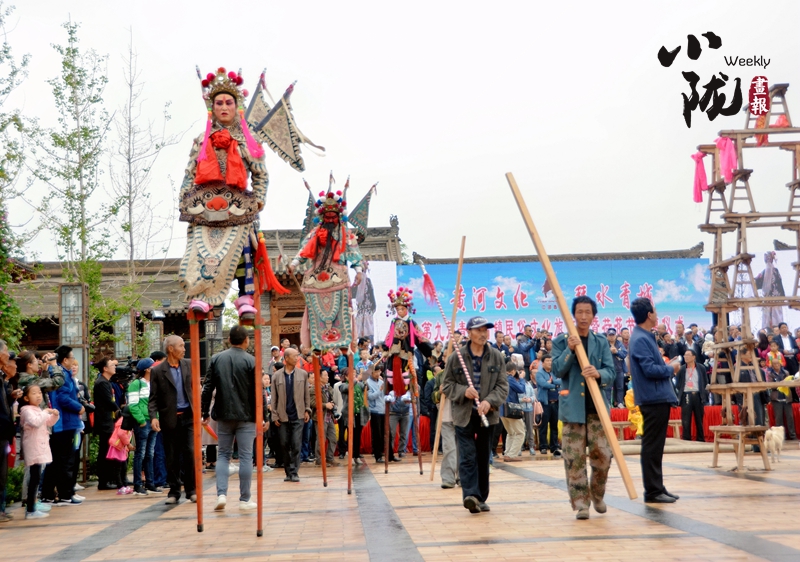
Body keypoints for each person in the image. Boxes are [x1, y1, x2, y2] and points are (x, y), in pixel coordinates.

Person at [178, 66, 285, 319]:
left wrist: (258, 201)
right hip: (206, 206)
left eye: (228, 102)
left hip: (237, 206)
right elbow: (190, 172)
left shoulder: (250, 141)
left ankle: (245, 298)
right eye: (218, 103)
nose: (223, 107)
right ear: (211, 108)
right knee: (201, 249)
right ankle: (203, 295)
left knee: (244, 250)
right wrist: (185, 199)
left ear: (237, 106)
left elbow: (260, 174)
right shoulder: (200, 140)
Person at [552, 296, 615, 520]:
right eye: (579, 312)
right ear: (573, 315)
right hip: (573, 411)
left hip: (597, 409)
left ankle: (597, 494)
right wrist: (570, 350)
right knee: (574, 458)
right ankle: (581, 504)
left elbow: (611, 371)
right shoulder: (562, 341)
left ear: (594, 315)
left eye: (588, 312)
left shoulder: (601, 341)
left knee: (603, 456)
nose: (583, 316)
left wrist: (599, 374)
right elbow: (557, 370)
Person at [441, 316, 508, 514]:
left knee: (482, 456)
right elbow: (447, 385)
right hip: (464, 415)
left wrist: (489, 401)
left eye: (485, 330)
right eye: (478, 330)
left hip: (489, 415)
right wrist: (463, 391)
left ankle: (481, 497)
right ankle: (470, 495)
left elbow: (503, 385)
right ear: (469, 333)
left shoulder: (496, 356)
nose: (482, 334)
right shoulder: (457, 357)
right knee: (468, 456)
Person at [289, 175, 364, 350]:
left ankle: (345, 347)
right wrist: (293, 264)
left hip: (338, 280)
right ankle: (315, 347)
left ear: (339, 216)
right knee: (315, 315)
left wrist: (359, 271)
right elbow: (303, 251)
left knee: (343, 312)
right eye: (327, 216)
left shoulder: (345, 233)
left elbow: (353, 252)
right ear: (321, 217)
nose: (330, 219)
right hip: (316, 281)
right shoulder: (315, 233)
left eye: (333, 216)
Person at [202, 325, 263, 511]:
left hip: (223, 414)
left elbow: (207, 388)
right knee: (246, 456)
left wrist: (204, 412)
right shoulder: (252, 361)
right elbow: (258, 392)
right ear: (246, 340)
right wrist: (263, 415)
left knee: (223, 455)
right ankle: (245, 499)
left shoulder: (216, 358)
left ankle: (221, 494)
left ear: (229, 339)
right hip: (247, 415)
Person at [629, 297, 681, 504]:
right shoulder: (640, 339)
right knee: (652, 446)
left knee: (656, 446)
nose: (657, 314)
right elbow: (650, 370)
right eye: (655, 311)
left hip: (657, 396)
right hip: (653, 397)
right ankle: (652, 491)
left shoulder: (645, 336)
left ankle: (657, 487)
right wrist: (672, 369)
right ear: (649, 315)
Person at [149, 335, 196, 505]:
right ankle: (174, 491)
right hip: (169, 419)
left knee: (190, 452)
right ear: (170, 348)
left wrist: (200, 412)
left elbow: (195, 390)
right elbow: (152, 398)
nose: (184, 349)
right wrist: (153, 417)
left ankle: (191, 490)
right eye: (181, 346)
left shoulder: (189, 365)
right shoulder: (157, 370)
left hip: (188, 417)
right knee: (172, 456)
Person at [41, 345, 85, 506]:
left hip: (64, 422)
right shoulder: (61, 375)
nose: (74, 360)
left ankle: (51, 494)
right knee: (64, 460)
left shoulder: (63, 373)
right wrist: (78, 407)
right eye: (72, 357)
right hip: (64, 422)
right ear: (65, 359)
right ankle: (65, 494)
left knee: (57, 460)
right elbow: (63, 398)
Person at [270, 348, 311, 482]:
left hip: (298, 415)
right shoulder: (276, 376)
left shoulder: (303, 374)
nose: (297, 358)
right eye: (294, 356)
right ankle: (288, 471)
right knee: (283, 444)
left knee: (296, 443)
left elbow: (306, 394)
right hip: (282, 416)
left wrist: (307, 409)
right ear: (286, 358)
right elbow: (274, 398)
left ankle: (294, 472)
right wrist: (274, 415)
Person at [20, 384, 59, 519]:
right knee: (34, 478)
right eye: (34, 393)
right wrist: (45, 412)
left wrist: (54, 415)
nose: (38, 395)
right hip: (33, 447)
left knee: (37, 477)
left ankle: (34, 505)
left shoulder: (38, 409)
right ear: (26, 397)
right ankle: (30, 509)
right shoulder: (26, 410)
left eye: (39, 393)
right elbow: (36, 422)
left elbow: (47, 422)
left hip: (40, 446)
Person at [128, 358, 160, 495]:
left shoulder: (153, 383)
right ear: (147, 369)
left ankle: (150, 483)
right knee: (140, 453)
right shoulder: (136, 384)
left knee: (150, 453)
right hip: (143, 422)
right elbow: (133, 405)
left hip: (153, 421)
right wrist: (141, 420)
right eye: (153, 367)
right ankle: (138, 484)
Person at [94, 357, 122, 490]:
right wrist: (117, 409)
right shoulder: (102, 383)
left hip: (108, 420)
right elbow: (108, 401)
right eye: (111, 365)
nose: (114, 367)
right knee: (105, 450)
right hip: (104, 422)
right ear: (105, 368)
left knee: (107, 449)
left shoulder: (106, 382)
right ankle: (103, 481)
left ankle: (109, 479)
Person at [676, 349, 707, 442]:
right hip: (686, 395)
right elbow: (678, 383)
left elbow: (705, 381)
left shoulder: (701, 368)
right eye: (685, 355)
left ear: (694, 357)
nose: (686, 357)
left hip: (698, 394)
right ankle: (686, 439)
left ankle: (700, 439)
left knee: (699, 419)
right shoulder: (682, 369)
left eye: (688, 355)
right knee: (686, 420)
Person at [536, 353, 562, 457]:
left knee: (554, 425)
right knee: (543, 426)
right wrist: (554, 384)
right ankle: (543, 446)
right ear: (542, 363)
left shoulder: (554, 372)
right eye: (547, 361)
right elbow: (543, 384)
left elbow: (560, 381)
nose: (549, 363)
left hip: (555, 402)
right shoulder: (539, 373)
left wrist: (553, 382)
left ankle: (554, 446)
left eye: (551, 361)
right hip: (544, 403)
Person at [311, 369, 338, 467]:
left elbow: (333, 398)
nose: (327, 377)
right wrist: (325, 405)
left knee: (333, 438)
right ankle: (319, 459)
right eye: (325, 375)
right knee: (321, 439)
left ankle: (330, 458)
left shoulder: (328, 387)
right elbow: (312, 403)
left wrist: (332, 403)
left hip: (329, 416)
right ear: (320, 377)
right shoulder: (314, 389)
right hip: (320, 417)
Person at [765, 358, 796, 440]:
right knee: (779, 418)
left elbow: (790, 383)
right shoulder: (770, 374)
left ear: (780, 364)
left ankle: (792, 435)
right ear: (772, 365)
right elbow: (772, 386)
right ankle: (780, 436)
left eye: (778, 364)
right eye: (775, 364)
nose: (777, 365)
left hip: (786, 397)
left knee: (790, 417)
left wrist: (782, 383)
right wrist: (781, 383)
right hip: (776, 398)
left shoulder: (786, 372)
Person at [500, 362, 526, 461]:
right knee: (520, 433)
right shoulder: (510, 378)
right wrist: (522, 379)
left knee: (511, 432)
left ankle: (507, 454)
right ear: (513, 371)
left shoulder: (501, 378)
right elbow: (521, 389)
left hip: (501, 410)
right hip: (511, 409)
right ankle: (511, 455)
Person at [366, 363, 385, 463]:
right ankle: (377, 455)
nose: (378, 374)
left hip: (382, 410)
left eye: (379, 371)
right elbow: (370, 397)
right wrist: (379, 390)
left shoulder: (381, 381)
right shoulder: (367, 382)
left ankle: (382, 452)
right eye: (375, 372)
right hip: (374, 411)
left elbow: (383, 396)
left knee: (383, 433)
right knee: (376, 434)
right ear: (371, 372)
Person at [606, 328, 628, 407]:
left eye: (613, 335)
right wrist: (609, 351)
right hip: (608, 370)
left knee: (620, 387)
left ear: (615, 335)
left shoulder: (619, 344)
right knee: (608, 388)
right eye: (610, 335)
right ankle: (608, 403)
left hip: (619, 369)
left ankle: (620, 402)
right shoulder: (605, 344)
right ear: (607, 336)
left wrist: (617, 352)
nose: (611, 337)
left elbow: (624, 354)